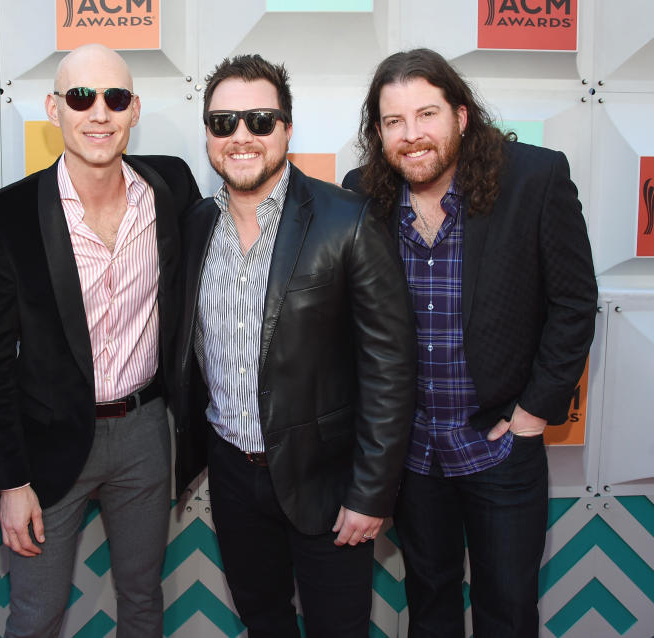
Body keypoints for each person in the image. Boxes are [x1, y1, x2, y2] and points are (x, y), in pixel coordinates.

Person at [343, 48, 597, 637]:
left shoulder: (534, 179)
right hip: (412, 457)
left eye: (426, 114)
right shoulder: (363, 196)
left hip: (499, 446)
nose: (412, 136)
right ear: (378, 132)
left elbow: (574, 304)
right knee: (429, 602)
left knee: (507, 610)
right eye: (393, 122)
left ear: (461, 114)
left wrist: (533, 414)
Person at [173, 53, 416, 638]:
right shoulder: (196, 224)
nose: (241, 137)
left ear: (286, 128)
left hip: (327, 482)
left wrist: (371, 492)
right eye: (223, 122)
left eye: (259, 120)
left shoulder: (347, 221)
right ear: (207, 133)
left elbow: (391, 368)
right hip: (232, 476)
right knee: (264, 623)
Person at [0, 44, 200, 638]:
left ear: (135, 109)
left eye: (115, 98)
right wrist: (10, 480)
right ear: (53, 108)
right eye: (80, 97)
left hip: (146, 432)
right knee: (36, 614)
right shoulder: (7, 216)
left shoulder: (170, 186)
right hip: (44, 445)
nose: (99, 113)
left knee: (143, 600)